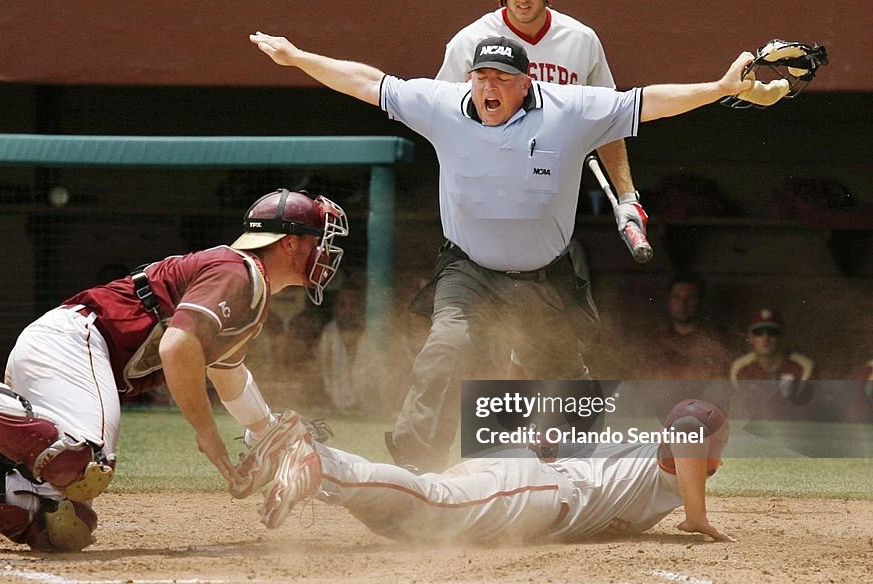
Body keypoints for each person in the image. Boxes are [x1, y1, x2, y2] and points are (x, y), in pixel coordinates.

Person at [251, 31, 759, 471]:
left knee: (563, 373)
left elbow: (647, 102)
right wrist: (298, 58)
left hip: (547, 273)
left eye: (501, 78)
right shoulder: (442, 106)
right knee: (444, 351)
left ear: (526, 82)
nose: (488, 87)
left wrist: (719, 89)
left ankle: (577, 465)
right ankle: (415, 464)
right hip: (469, 269)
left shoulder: (571, 110)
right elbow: (366, 82)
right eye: (481, 76)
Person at [0, 189, 349, 551]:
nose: (327, 251)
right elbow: (179, 348)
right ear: (288, 243)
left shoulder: (248, 292)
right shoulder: (238, 270)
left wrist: (262, 430)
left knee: (62, 524)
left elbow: (228, 371)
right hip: (77, 343)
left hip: (69, 352)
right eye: (319, 238)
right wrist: (209, 437)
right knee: (87, 465)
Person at [248, 399, 734, 544]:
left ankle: (293, 453)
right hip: (537, 492)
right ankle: (314, 462)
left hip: (525, 481)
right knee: (428, 502)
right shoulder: (671, 460)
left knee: (406, 525)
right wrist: (697, 516)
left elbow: (544, 444)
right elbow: (689, 426)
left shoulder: (643, 454)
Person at [438, 1, 641, 212]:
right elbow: (442, 116)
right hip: (488, 184)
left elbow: (608, 119)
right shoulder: (468, 41)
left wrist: (627, 197)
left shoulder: (581, 40)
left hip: (558, 184)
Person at [639, 272, 732, 380]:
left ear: (701, 301)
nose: (682, 304)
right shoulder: (655, 342)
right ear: (669, 301)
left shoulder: (717, 342)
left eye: (690, 298)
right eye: (677, 297)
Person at [729, 308, 817, 421]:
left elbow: (810, 411)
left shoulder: (803, 367)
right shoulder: (740, 368)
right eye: (759, 332)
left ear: (782, 336)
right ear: (750, 338)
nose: (765, 338)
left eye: (772, 332)